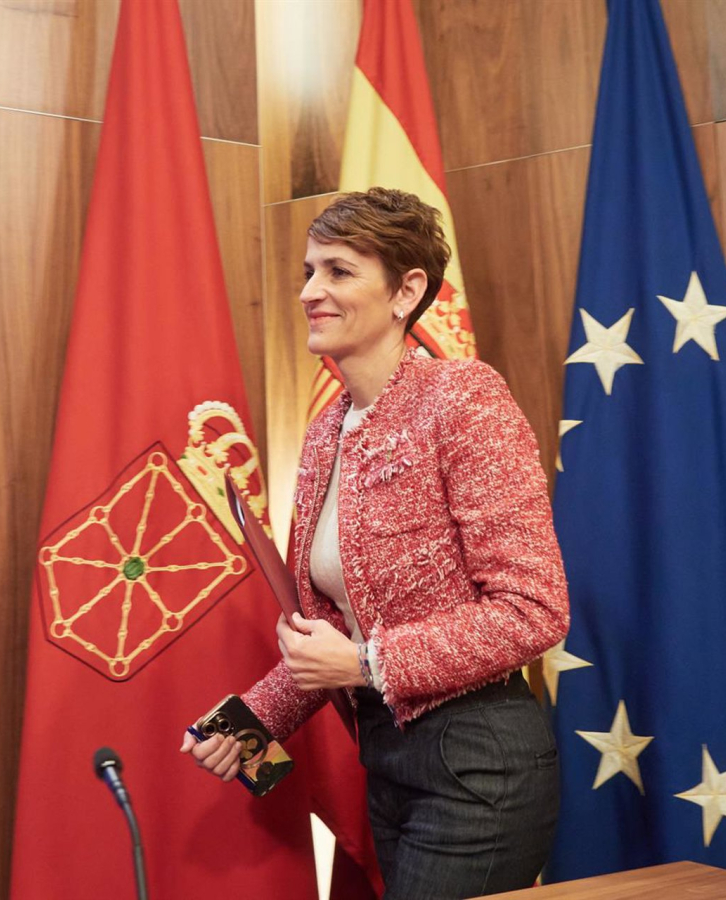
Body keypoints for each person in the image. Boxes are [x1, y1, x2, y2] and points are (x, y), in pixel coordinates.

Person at [180, 187, 569, 899]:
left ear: (407, 291)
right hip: (386, 759)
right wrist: (251, 721)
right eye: (308, 271)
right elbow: (329, 634)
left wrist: (366, 662)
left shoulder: (464, 397)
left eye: (338, 271)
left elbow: (533, 610)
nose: (310, 292)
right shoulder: (324, 432)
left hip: (478, 760)